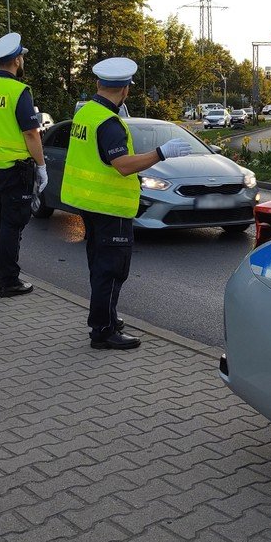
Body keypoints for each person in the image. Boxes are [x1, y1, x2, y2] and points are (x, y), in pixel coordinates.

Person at [60, 57, 191, 350]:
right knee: (111, 269)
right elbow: (122, 164)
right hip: (110, 208)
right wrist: (161, 152)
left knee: (99, 265)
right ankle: (103, 331)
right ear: (125, 90)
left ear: (98, 84)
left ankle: (106, 317)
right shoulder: (109, 123)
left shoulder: (86, 113)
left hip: (89, 203)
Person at [0, 32, 46, 298]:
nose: (23, 60)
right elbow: (31, 133)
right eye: (22, 56)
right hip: (14, 167)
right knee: (12, 224)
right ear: (16, 60)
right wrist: (41, 165)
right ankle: (9, 281)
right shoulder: (18, 91)